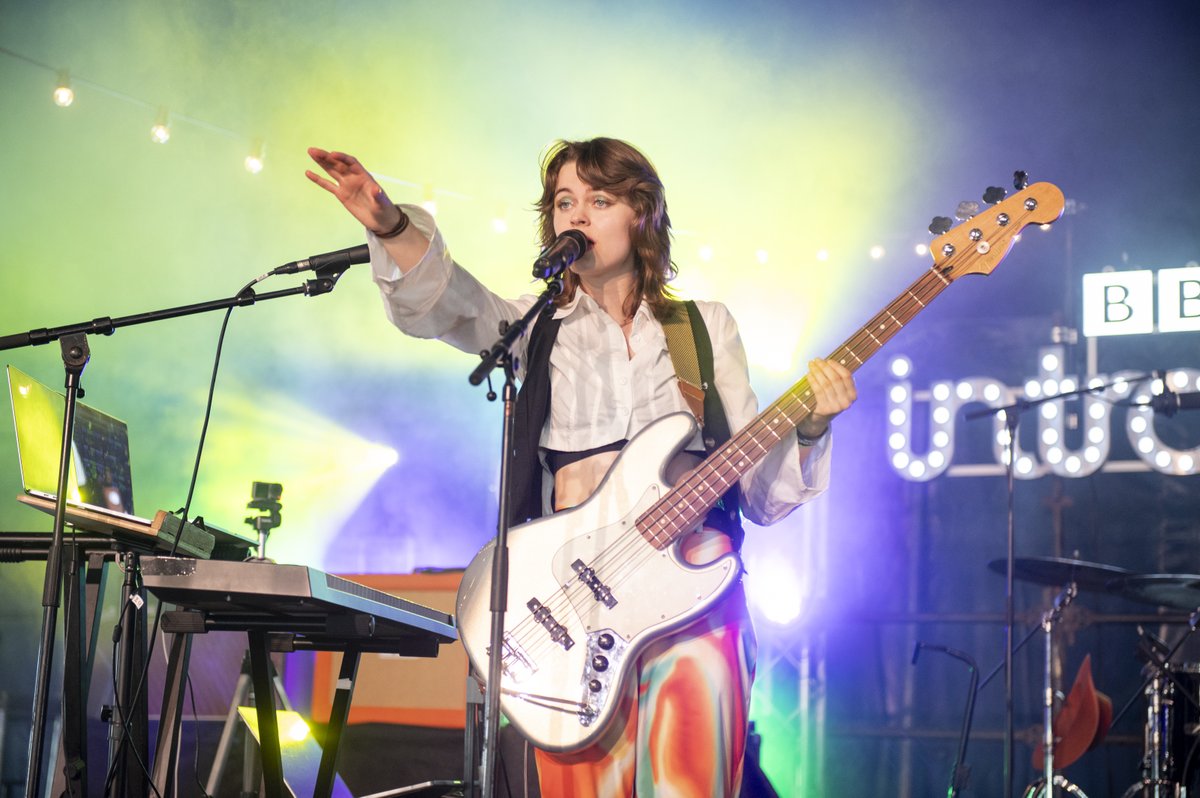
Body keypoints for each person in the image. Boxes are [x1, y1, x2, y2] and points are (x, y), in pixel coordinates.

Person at [306, 138, 856, 797]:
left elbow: (762, 495)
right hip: (575, 612)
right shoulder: (534, 328)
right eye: (566, 202)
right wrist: (392, 225)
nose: (578, 215)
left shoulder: (704, 330)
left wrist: (813, 425)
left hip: (696, 606)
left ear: (642, 215)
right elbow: (447, 303)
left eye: (600, 200)